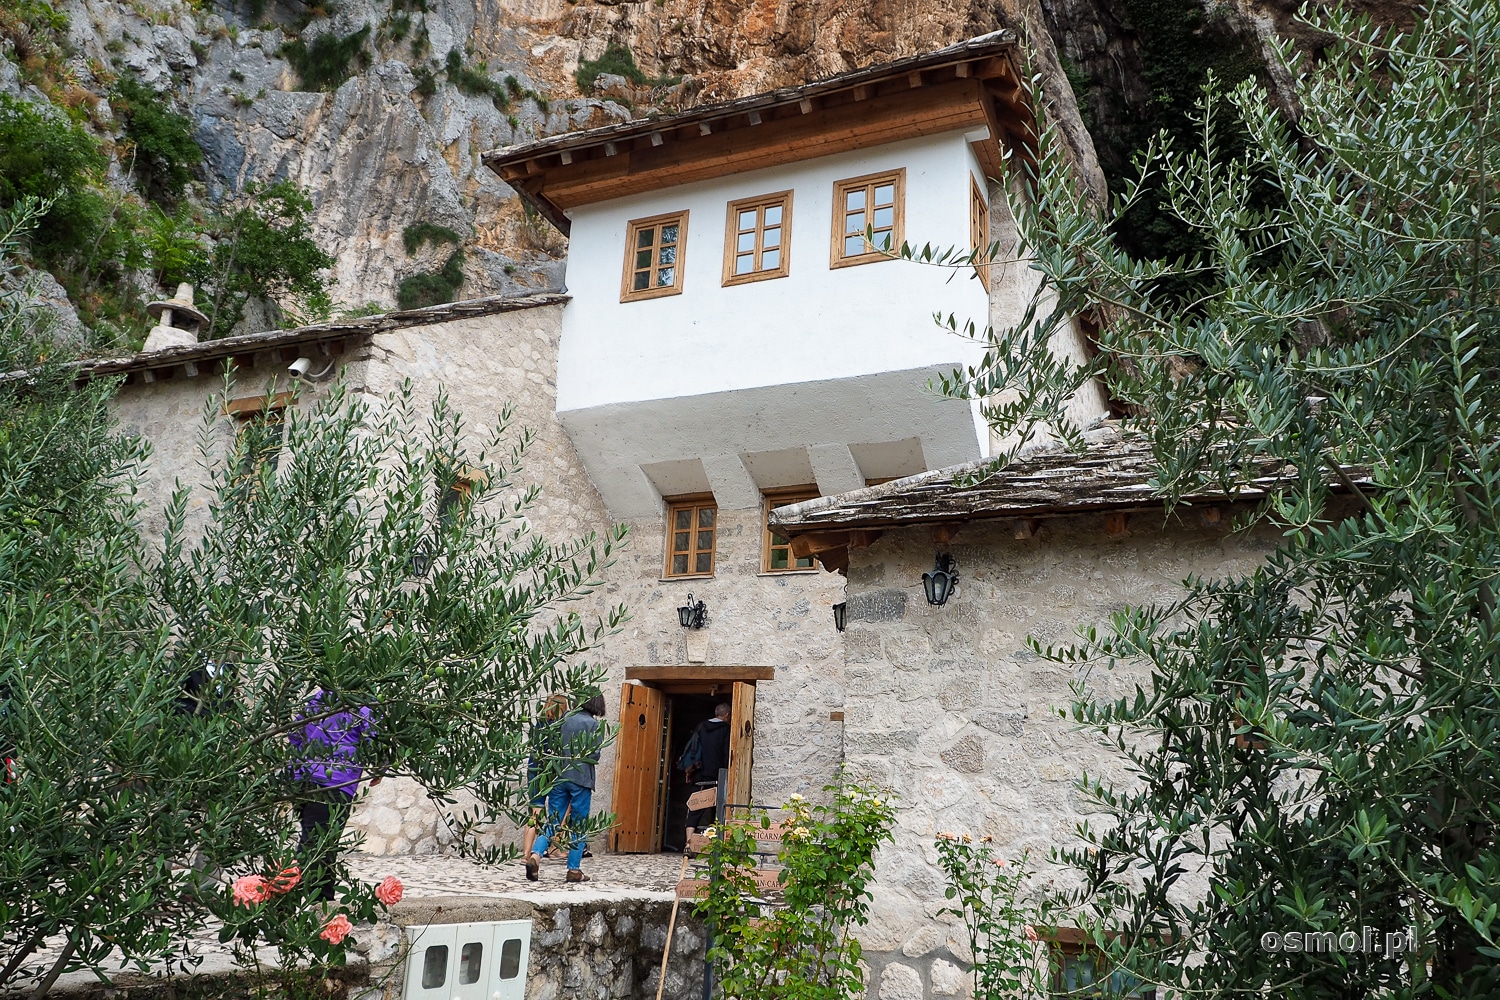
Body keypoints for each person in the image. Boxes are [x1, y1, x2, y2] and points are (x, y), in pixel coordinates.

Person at [289, 690, 378, 901]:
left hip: (305, 782)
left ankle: (321, 906)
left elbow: (294, 734)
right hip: (336, 783)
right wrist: (380, 768)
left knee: (315, 844)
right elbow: (375, 738)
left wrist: (299, 768)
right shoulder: (362, 703)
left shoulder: (318, 699)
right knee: (319, 848)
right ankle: (294, 905)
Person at [524, 693, 606, 884]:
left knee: (553, 820)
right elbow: (594, 756)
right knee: (578, 824)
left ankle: (536, 855)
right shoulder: (593, 725)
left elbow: (551, 746)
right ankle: (573, 869)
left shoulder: (563, 719)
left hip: (558, 777)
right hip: (581, 779)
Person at [522, 693, 570, 860]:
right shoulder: (562, 726)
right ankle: (555, 848)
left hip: (535, 770)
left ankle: (526, 854)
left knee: (534, 812)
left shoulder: (539, 724)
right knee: (559, 813)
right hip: (554, 772)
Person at [685, 702, 732, 834]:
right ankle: (716, 841)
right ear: (727, 715)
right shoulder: (726, 730)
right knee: (718, 808)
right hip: (717, 775)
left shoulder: (701, 727)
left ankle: (688, 842)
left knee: (695, 807)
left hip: (699, 772)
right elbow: (726, 754)